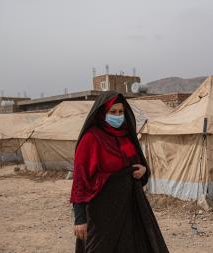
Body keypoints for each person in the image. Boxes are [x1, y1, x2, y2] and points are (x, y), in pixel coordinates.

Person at [70, 91, 169, 253]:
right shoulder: (91, 139)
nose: (117, 116)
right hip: (102, 212)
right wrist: (80, 219)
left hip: (131, 206)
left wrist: (144, 170)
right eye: (113, 112)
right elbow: (80, 180)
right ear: (103, 113)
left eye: (121, 112)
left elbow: (136, 163)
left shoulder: (125, 136)